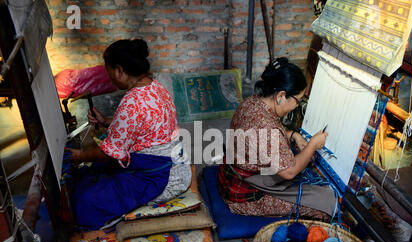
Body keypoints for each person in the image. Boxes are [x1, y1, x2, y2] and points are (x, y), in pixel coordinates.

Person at [66, 39, 191, 230]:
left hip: (163, 178)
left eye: (110, 74)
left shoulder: (131, 103)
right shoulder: (156, 87)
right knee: (93, 175)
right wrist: (107, 121)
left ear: (119, 70)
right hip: (177, 166)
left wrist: (80, 156)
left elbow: (109, 154)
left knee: (86, 202)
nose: (111, 79)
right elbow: (145, 123)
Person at [218, 57, 336, 221]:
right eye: (298, 100)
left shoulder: (252, 103)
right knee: (324, 203)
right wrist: (313, 145)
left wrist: (293, 135)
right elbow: (289, 171)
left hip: (231, 177)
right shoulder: (267, 126)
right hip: (246, 195)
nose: (297, 106)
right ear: (281, 96)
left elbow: (260, 141)